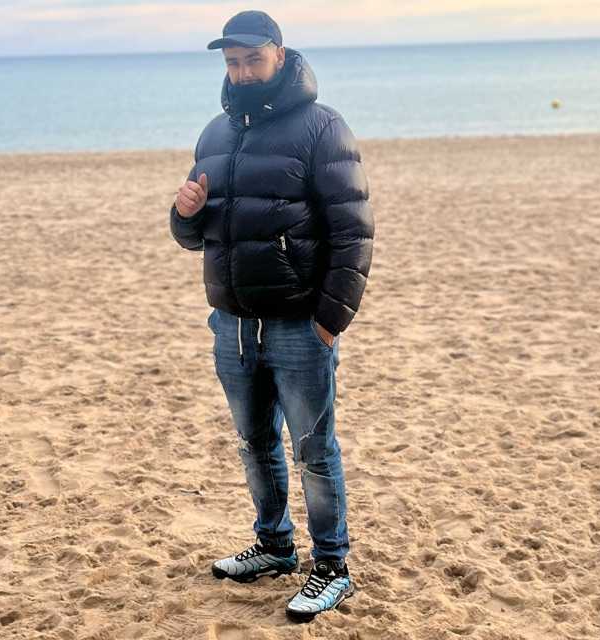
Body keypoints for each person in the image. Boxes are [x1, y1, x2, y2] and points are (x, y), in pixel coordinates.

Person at [169, 9, 374, 623]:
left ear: (280, 55)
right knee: (254, 444)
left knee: (313, 450)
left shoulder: (322, 126)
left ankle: (332, 567)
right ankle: (275, 545)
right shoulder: (216, 133)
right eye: (233, 62)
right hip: (232, 323)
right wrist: (184, 214)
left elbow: (353, 232)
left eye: (253, 59)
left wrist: (330, 320)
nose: (243, 72)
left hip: (298, 324)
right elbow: (198, 235)